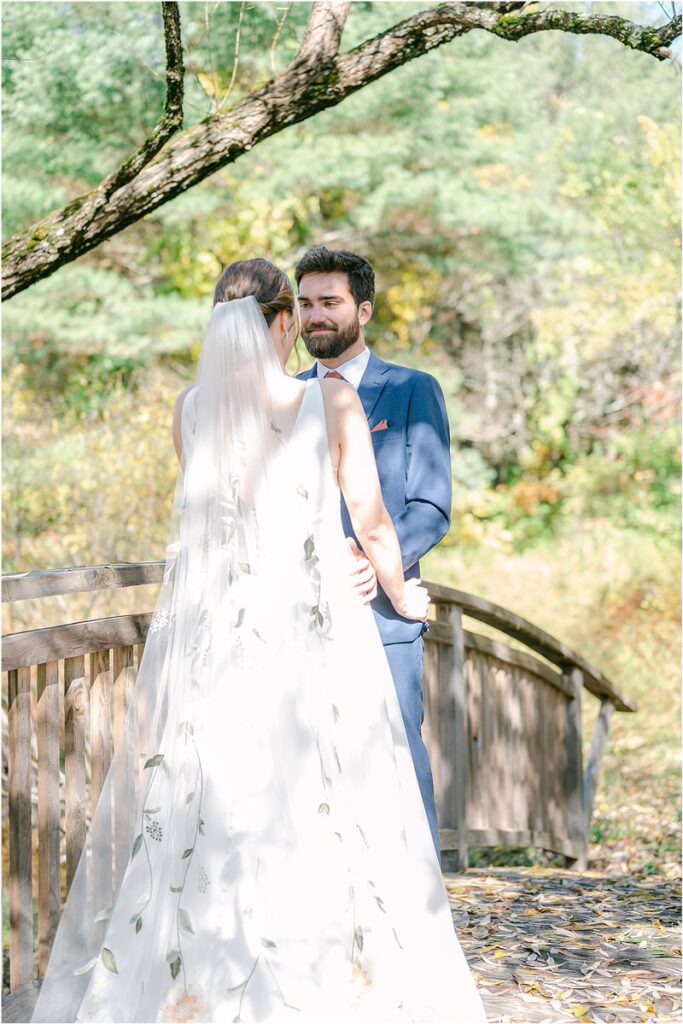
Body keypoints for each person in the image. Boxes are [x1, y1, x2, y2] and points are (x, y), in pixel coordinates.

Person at [31, 259, 486, 1023]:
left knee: (222, 802)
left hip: (220, 643)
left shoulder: (188, 409)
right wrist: (403, 593)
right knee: (321, 797)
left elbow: (217, 521)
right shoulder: (329, 399)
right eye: (294, 313)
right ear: (280, 322)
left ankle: (207, 982)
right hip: (311, 631)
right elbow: (373, 523)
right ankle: (325, 977)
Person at [295, 247, 451, 855]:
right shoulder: (283, 397)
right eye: (305, 303)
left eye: (330, 302)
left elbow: (431, 506)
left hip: (382, 610)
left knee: (397, 758)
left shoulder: (413, 390)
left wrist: (369, 563)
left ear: (362, 309)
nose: (315, 316)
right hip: (297, 615)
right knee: (307, 766)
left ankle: (423, 897)